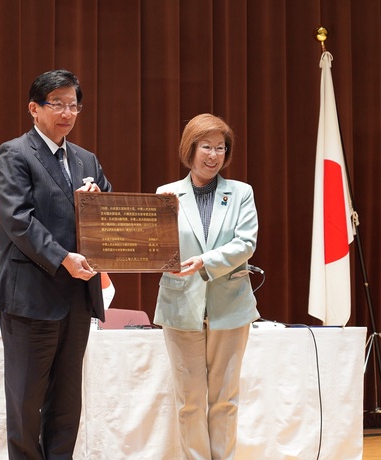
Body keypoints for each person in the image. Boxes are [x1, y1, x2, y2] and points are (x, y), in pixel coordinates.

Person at [0, 69, 112, 459]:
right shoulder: (15, 153)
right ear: (34, 109)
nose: (67, 112)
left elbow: (109, 212)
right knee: (26, 403)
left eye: (73, 104)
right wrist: (63, 259)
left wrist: (96, 197)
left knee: (66, 404)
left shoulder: (86, 159)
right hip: (30, 297)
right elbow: (18, 220)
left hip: (77, 298)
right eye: (56, 103)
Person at [154, 113, 259, 460]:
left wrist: (205, 263)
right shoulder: (166, 193)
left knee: (225, 399)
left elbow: (246, 243)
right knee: (189, 400)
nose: (213, 155)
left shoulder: (241, 193)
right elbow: (157, 246)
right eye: (206, 146)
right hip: (180, 306)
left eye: (220, 147)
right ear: (190, 148)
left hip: (230, 306)